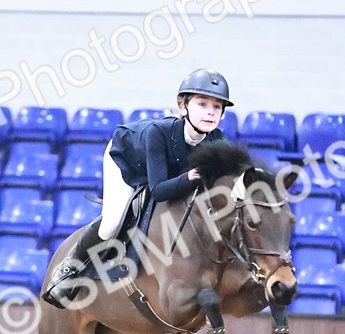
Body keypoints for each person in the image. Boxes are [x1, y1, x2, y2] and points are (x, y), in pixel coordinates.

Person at [42, 68, 233, 307]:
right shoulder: (159, 133)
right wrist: (193, 176)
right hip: (127, 161)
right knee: (113, 221)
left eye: (217, 107)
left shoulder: (219, 142)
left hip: (166, 172)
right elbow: (159, 190)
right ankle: (69, 271)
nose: (210, 112)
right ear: (183, 107)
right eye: (202, 104)